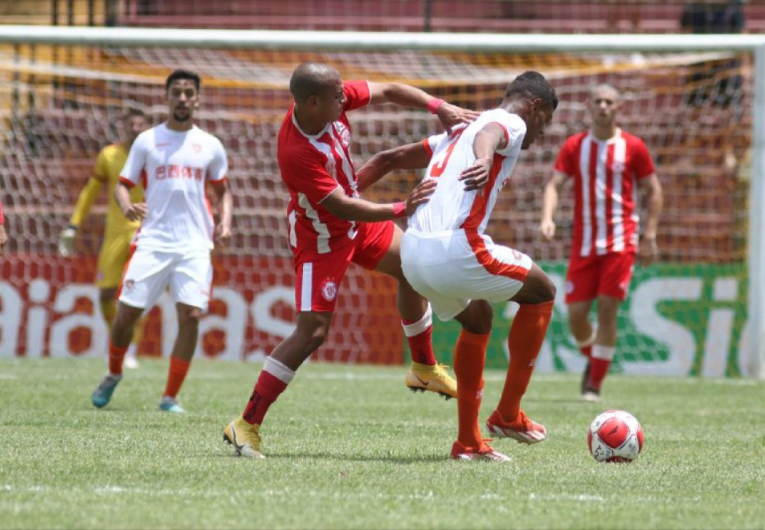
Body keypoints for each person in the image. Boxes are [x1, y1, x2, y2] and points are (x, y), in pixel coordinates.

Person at [223, 62, 478, 459]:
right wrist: (400, 206)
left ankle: (424, 368)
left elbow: (391, 87)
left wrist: (438, 106)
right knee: (312, 332)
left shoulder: (332, 100)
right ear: (312, 102)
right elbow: (341, 207)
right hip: (321, 237)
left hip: (355, 222)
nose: (346, 99)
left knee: (413, 264)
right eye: (337, 96)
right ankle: (245, 424)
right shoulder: (296, 151)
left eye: (344, 93)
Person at [354, 71, 559, 461]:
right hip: (457, 249)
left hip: (412, 257)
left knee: (478, 318)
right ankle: (508, 415)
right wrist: (484, 159)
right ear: (534, 107)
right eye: (545, 123)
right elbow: (494, 134)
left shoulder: (459, 127)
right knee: (543, 293)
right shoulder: (509, 121)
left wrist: (342, 198)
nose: (539, 137)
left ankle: (468, 442)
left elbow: (389, 158)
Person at [90, 69, 232, 413]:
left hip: (195, 244)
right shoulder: (148, 141)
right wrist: (125, 206)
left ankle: (169, 397)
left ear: (197, 99)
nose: (183, 98)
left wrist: (225, 223)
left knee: (191, 316)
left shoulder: (210, 145)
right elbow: (123, 183)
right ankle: (113, 371)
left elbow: (223, 191)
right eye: (177, 92)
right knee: (126, 315)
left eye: (188, 93)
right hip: (152, 239)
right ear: (166, 97)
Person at [540, 84, 663, 402]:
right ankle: (594, 360)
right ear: (589, 107)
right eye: (599, 101)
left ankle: (593, 385)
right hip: (584, 242)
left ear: (618, 106)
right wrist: (547, 217)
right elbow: (554, 184)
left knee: (608, 311)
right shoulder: (575, 146)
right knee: (576, 316)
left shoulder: (633, 147)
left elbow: (654, 190)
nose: (604, 106)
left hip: (621, 240)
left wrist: (649, 235)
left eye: (610, 101)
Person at [58, 108, 148, 369]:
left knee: (134, 294)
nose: (136, 127)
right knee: (106, 294)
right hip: (115, 233)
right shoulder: (109, 156)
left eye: (141, 123)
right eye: (132, 123)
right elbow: (89, 192)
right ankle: (118, 340)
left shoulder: (154, 155)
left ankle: (129, 349)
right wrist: (74, 225)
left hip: (145, 233)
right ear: (124, 126)